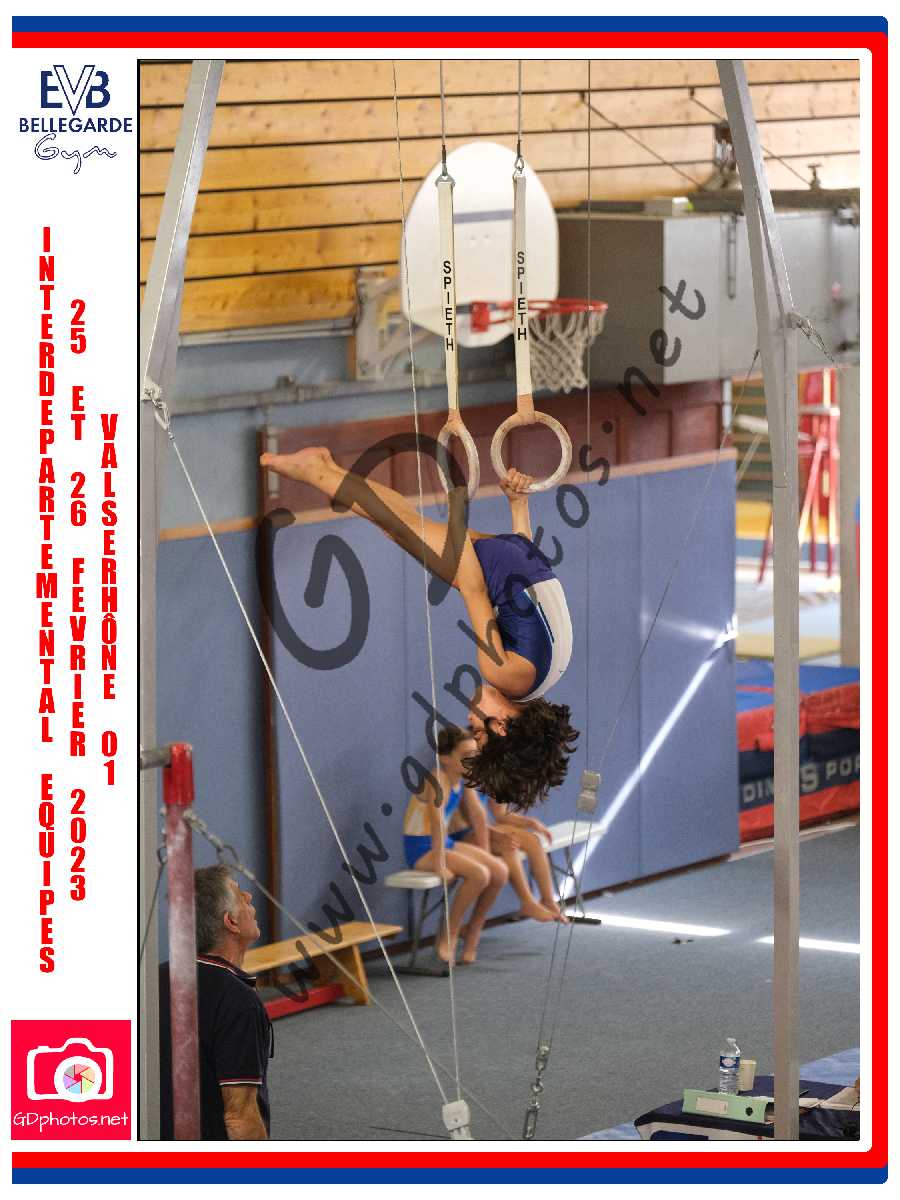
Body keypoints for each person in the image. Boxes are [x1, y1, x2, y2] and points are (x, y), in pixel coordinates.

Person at [260, 445, 579, 810]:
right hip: (493, 568)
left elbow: (535, 591)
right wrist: (457, 511)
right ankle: (315, 470)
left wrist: (518, 506)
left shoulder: (546, 678)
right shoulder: (504, 675)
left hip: (520, 557)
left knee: (399, 526)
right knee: (398, 526)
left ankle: (328, 468)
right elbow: (473, 589)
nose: (470, 719)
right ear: (503, 727)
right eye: (479, 729)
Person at [159, 865, 273, 1140]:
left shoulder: (153, 979)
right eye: (240, 894)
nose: (249, 897)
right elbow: (239, 1117)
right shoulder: (238, 1001)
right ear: (231, 922)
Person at [403, 726, 508, 964]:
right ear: (445, 758)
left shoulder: (461, 778)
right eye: (466, 755)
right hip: (422, 849)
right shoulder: (437, 780)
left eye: (475, 754)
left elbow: (478, 815)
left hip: (444, 843)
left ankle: (473, 930)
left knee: (499, 871)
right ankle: (448, 935)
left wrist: (484, 852)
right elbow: (437, 822)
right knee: (480, 874)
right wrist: (440, 864)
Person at [451, 792, 570, 923]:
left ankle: (548, 900)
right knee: (508, 845)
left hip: (483, 829)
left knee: (532, 841)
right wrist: (497, 836)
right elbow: (474, 819)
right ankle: (528, 903)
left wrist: (530, 823)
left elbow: (501, 815)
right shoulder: (465, 783)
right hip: (460, 834)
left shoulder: (494, 781)